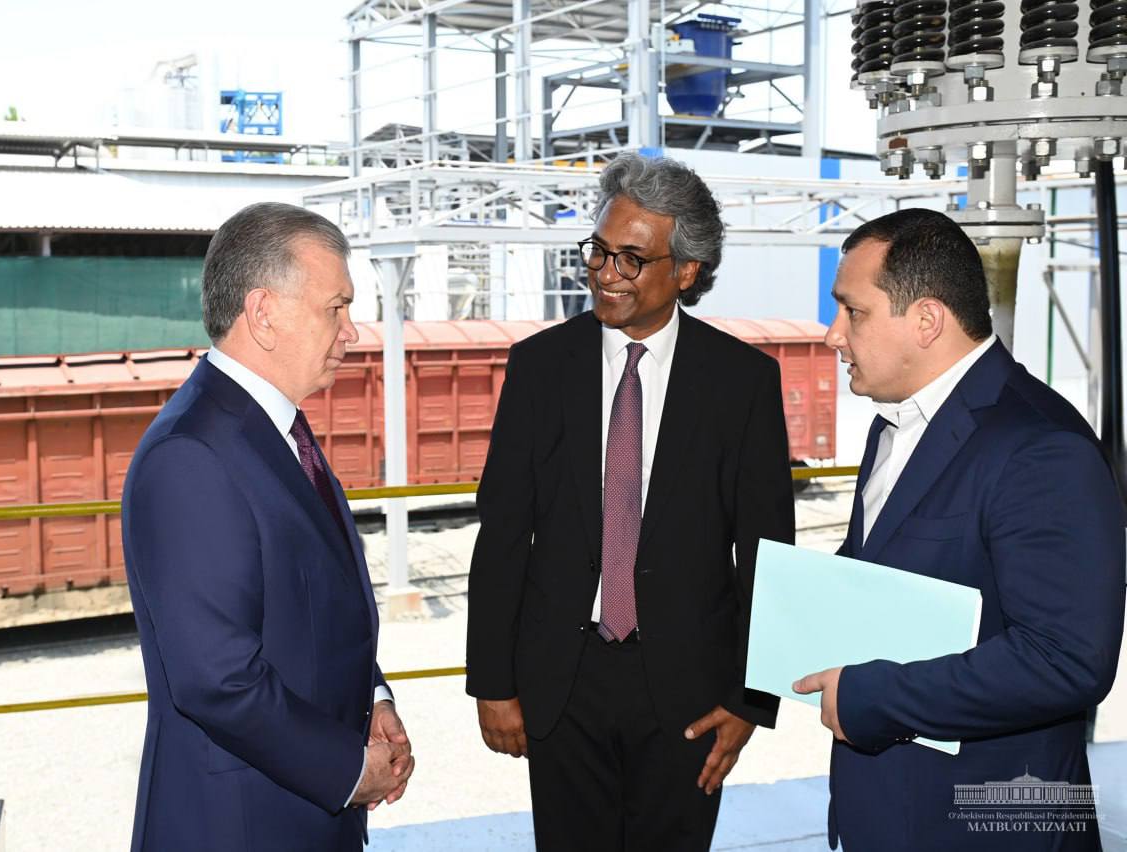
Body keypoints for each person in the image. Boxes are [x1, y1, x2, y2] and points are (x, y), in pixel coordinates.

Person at [466, 152, 795, 850]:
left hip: (691, 694)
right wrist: (492, 683)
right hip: (562, 684)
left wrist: (750, 701)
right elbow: (502, 534)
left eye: (632, 260)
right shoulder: (539, 368)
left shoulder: (742, 383)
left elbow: (768, 554)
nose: (605, 273)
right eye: (599, 250)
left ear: (687, 271)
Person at [795, 207, 1125, 851]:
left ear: (926, 320)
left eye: (853, 312)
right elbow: (887, 568)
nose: (833, 334)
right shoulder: (892, 424)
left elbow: (1066, 659)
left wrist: (874, 697)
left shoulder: (1041, 446)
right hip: (886, 814)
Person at [121, 202, 414, 852]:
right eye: (335, 308)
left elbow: (309, 612)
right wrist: (347, 768)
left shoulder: (274, 427)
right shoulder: (191, 455)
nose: (351, 332)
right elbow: (217, 679)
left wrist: (373, 698)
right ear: (263, 313)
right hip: (240, 825)